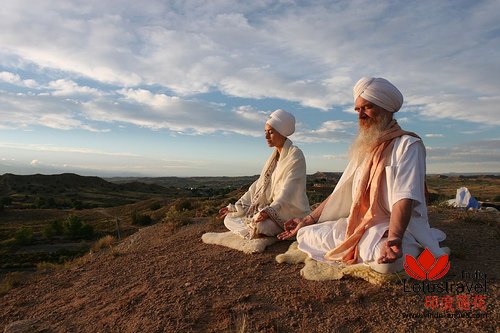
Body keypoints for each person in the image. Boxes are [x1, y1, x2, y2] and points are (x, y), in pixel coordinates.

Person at [278, 77, 446, 274]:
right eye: (358, 110)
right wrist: (308, 220)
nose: (361, 115)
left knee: (386, 264)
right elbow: (343, 191)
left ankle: (401, 247)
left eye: (367, 108)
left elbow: (404, 197)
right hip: (358, 224)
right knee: (305, 234)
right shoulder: (366, 148)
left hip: (393, 228)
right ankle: (372, 249)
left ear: (386, 109)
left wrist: (394, 239)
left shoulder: (408, 146)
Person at [217, 109, 310, 239]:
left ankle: (255, 230)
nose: (266, 137)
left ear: (282, 133)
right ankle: (252, 230)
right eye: (265, 132)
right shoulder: (273, 158)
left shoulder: (295, 155)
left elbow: (290, 188)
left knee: (262, 226)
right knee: (229, 218)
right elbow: (259, 185)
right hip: (269, 208)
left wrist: (271, 211)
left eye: (270, 132)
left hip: (288, 211)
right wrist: (237, 206)